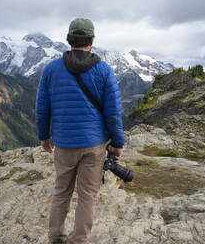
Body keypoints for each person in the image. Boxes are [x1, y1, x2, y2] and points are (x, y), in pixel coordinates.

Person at [36, 18, 125, 244]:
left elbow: (42, 108)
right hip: (93, 145)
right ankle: (79, 240)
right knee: (87, 197)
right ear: (92, 40)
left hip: (64, 144)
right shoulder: (104, 70)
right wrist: (117, 143)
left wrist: (44, 136)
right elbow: (113, 113)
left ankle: (56, 236)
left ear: (68, 39)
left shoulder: (51, 69)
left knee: (61, 192)